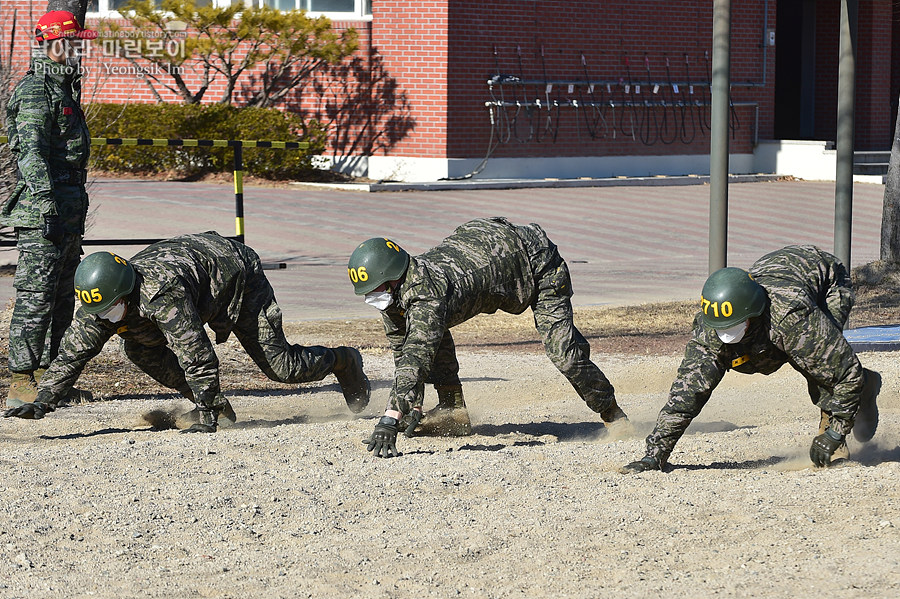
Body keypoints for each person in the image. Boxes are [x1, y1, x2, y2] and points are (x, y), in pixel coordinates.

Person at [3, 232, 371, 432]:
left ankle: (343, 360)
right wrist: (45, 399)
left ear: (126, 293)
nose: (108, 320)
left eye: (113, 310)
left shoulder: (161, 294)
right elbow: (71, 355)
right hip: (198, 281)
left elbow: (196, 353)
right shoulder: (98, 305)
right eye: (101, 313)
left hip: (236, 277)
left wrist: (207, 412)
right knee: (139, 349)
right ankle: (213, 405)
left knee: (283, 367)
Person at [347, 217, 629, 458]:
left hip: (536, 262)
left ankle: (613, 414)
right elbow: (403, 348)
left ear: (393, 276)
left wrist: (390, 417)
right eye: (369, 293)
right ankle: (453, 412)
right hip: (489, 246)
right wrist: (413, 404)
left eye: (377, 289)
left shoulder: (425, 295)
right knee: (431, 333)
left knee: (565, 355)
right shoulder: (394, 296)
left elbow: (417, 354)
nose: (374, 298)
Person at [620, 245, 881, 473]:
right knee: (752, 358)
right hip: (774, 277)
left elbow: (845, 372)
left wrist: (836, 431)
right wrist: (654, 455)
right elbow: (686, 395)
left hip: (826, 281)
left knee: (818, 364)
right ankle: (857, 394)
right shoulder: (710, 330)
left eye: (736, 328)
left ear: (754, 315)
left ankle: (857, 397)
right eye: (724, 331)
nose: (728, 337)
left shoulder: (792, 318)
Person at [1, 11, 97, 406]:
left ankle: (50, 377)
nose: (77, 49)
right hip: (45, 210)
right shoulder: (37, 90)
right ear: (54, 43)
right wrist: (47, 207)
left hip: (67, 207)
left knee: (61, 295)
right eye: (72, 42)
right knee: (36, 294)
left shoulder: (64, 86)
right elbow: (31, 155)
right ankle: (21, 380)